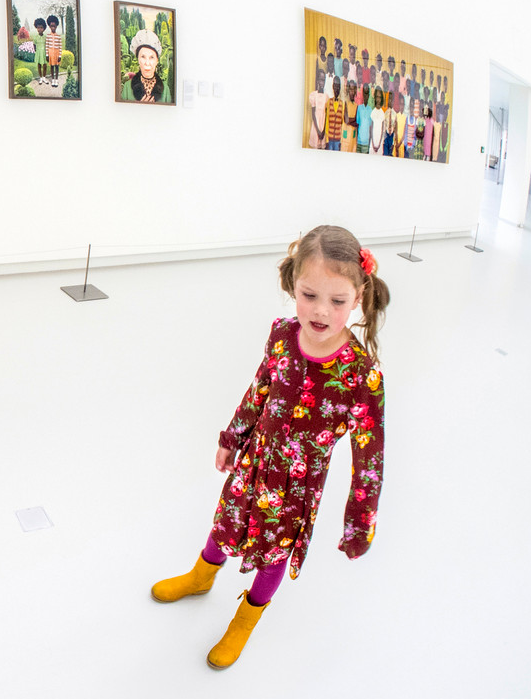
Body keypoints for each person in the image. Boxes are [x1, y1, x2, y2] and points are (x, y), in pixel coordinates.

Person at [150, 225, 388, 669]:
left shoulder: (361, 375)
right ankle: (202, 576)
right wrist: (232, 437)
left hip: (296, 488)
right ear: (292, 287)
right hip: (256, 462)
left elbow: (369, 460)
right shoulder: (282, 334)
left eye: (337, 301)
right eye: (308, 295)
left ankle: (246, 617)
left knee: (273, 551)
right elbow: (259, 389)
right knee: (227, 520)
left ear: (358, 298)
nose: (320, 311)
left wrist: (359, 523)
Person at [121, 28, 170, 103]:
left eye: (151, 57)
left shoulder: (165, 89)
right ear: (138, 60)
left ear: (157, 61)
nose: (147, 63)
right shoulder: (127, 87)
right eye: (143, 57)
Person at [308, 67, 328, 149]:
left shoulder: (326, 97)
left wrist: (323, 131)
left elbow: (326, 115)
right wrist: (318, 131)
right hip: (316, 127)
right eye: (320, 79)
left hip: (323, 127)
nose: (322, 82)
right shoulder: (314, 95)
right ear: (317, 81)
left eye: (323, 80)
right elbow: (313, 114)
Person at [324, 77, 344, 151]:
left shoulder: (342, 104)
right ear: (332, 87)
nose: (336, 88)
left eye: (338, 86)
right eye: (335, 86)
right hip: (330, 138)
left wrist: (341, 141)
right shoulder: (329, 102)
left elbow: (342, 124)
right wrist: (326, 140)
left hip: (338, 140)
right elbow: (327, 121)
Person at [45, 14, 63, 88]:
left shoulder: (58, 36)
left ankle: (56, 79)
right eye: (51, 26)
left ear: (56, 26)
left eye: (54, 26)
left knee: (57, 66)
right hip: (50, 53)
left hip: (56, 53)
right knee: (52, 66)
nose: (53, 28)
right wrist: (47, 54)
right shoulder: (48, 36)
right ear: (49, 26)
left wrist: (60, 55)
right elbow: (47, 46)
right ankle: (52, 79)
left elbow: (60, 47)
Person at [369, 88, 387, 156]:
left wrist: (379, 144)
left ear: (382, 99)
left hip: (379, 144)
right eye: (377, 97)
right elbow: (371, 129)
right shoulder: (373, 112)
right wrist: (373, 144)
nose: (378, 99)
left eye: (380, 97)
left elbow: (382, 131)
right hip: (372, 143)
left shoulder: (382, 113)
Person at [32, 17, 48, 85]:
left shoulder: (45, 37)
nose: (40, 29)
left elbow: (47, 45)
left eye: (41, 27)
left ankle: (44, 77)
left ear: (44, 28)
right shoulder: (35, 37)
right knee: (39, 65)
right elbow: (34, 44)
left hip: (44, 53)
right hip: (38, 52)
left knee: (44, 65)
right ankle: (40, 77)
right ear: (36, 28)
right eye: (38, 27)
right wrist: (36, 51)